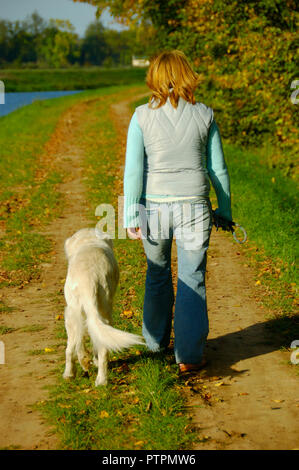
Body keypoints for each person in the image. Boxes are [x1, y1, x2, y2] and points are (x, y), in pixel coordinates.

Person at [123, 50, 232, 374]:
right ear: (188, 74)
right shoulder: (205, 114)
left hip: (154, 208)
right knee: (192, 277)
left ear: (154, 76)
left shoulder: (141, 116)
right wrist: (223, 210)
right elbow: (218, 170)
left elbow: (133, 171)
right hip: (195, 208)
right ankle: (189, 356)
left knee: (157, 275)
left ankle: (155, 345)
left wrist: (130, 216)